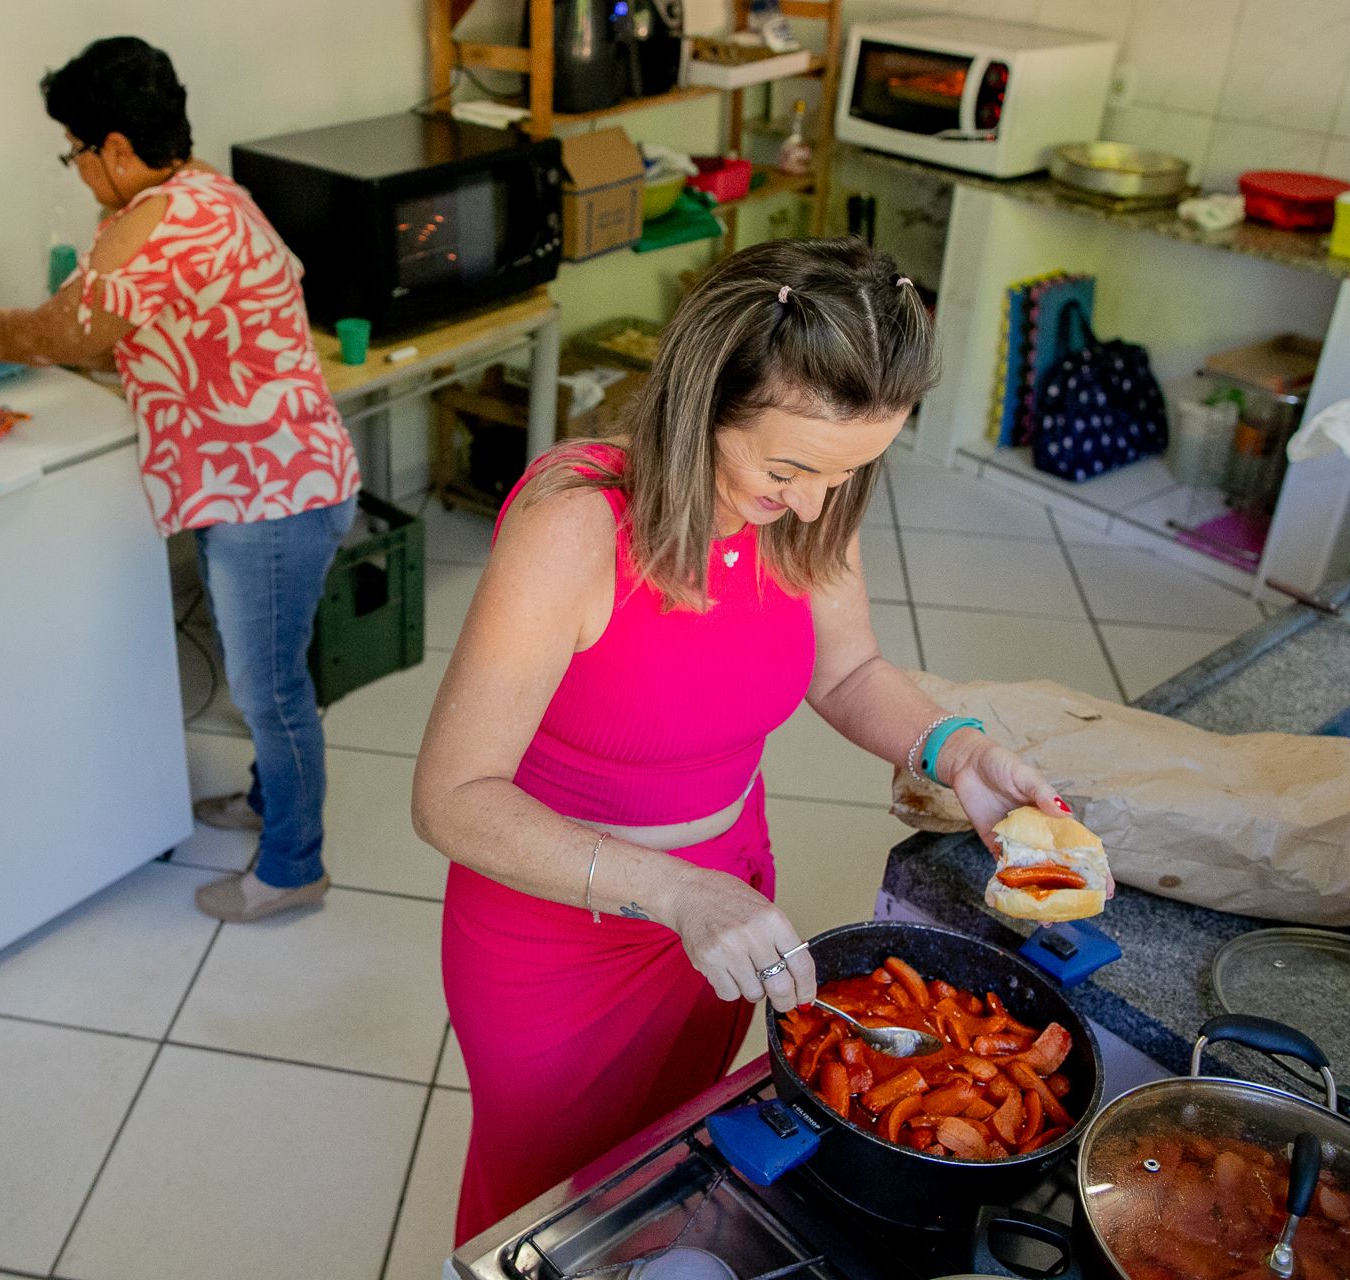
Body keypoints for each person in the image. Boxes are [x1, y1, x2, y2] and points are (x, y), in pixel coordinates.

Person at [410, 237, 1073, 1242]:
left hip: (724, 893)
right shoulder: (577, 525)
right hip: (557, 925)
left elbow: (846, 670)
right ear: (703, 399)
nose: (814, 502)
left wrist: (955, 748)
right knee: (550, 1208)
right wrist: (672, 887)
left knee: (666, 1166)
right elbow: (454, 794)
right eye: (790, 467)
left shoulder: (815, 502)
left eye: (851, 471)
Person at [0, 36, 359, 923]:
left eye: (75, 150)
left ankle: (295, 868)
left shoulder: (167, 219)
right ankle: (269, 804)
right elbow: (139, 329)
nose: (76, 170)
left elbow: (61, 333)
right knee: (268, 669)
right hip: (271, 478)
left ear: (112, 146)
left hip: (272, 494)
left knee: (271, 689)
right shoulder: (202, 188)